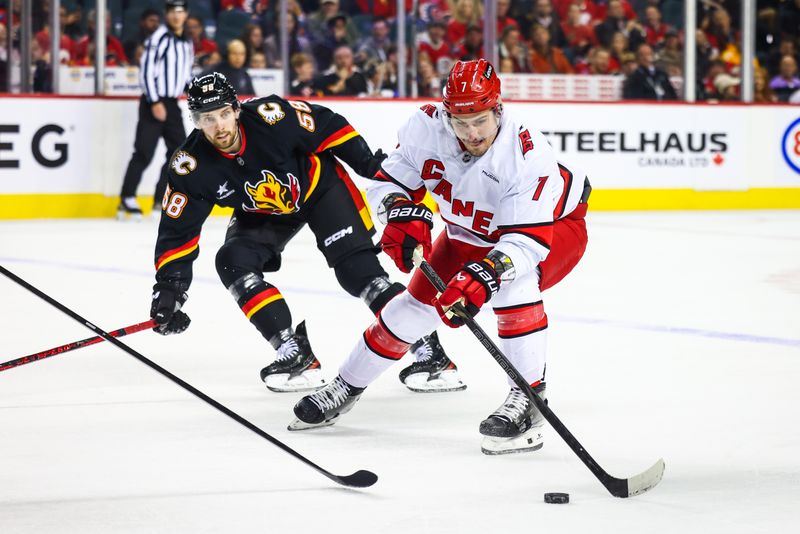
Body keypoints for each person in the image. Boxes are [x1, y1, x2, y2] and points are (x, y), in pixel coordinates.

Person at [291, 59, 591, 456]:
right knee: (408, 311)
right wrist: (400, 213)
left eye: (480, 121)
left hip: (552, 229)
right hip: (466, 232)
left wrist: (483, 277)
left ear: (498, 108)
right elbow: (387, 183)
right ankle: (346, 384)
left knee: (512, 286)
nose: (470, 133)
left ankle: (528, 399)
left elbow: (525, 244)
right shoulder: (425, 126)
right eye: (460, 122)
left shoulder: (526, 154)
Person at [149, 72, 462, 393]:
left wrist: (370, 166)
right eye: (207, 118)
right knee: (232, 260)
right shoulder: (190, 166)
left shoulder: (273, 118)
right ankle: (293, 350)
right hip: (263, 211)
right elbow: (178, 231)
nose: (219, 126)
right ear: (196, 121)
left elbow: (329, 125)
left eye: (224, 114)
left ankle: (428, 349)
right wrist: (170, 289)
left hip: (319, 190)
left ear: (237, 109)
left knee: (359, 274)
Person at [118, 0, 193, 220]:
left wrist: (197, 92)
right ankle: (127, 198)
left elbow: (186, 74)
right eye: (172, 12)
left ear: (186, 14)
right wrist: (154, 101)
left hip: (172, 103)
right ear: (167, 14)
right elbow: (146, 72)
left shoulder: (187, 42)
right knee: (144, 151)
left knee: (179, 153)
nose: (176, 16)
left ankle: (160, 198)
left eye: (180, 11)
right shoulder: (158, 38)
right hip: (154, 101)